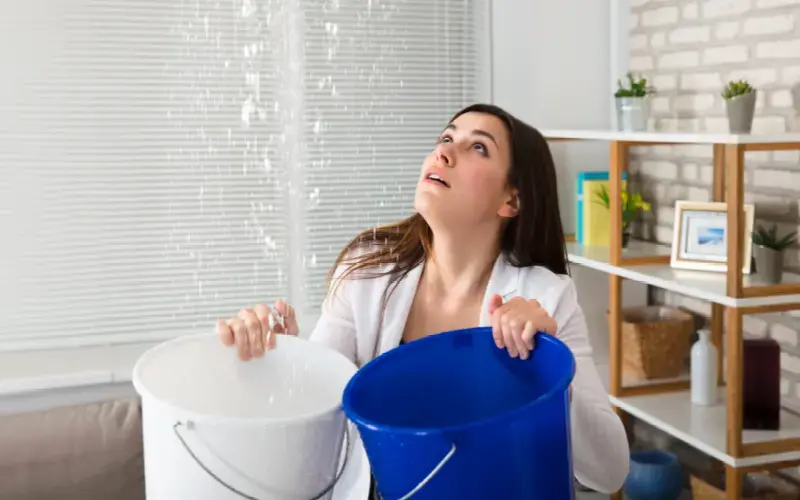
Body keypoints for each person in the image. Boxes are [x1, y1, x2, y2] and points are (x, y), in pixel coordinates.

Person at [217, 103, 630, 494]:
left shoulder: (546, 298)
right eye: (446, 138)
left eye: (478, 147)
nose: (445, 152)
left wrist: (549, 367)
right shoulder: (365, 274)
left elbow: (610, 470)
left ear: (512, 200)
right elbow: (317, 418)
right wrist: (281, 359)